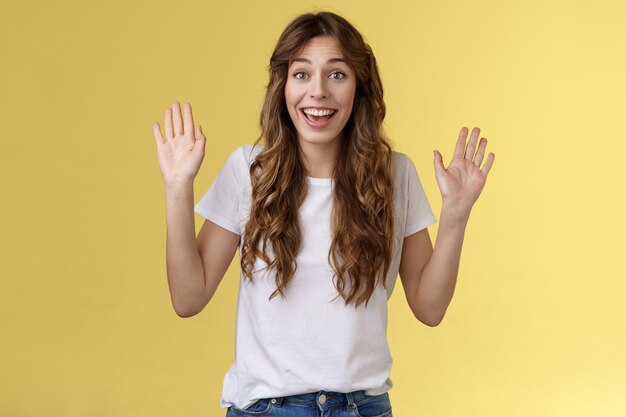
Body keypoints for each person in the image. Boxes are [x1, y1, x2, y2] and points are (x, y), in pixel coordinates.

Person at [152, 11, 494, 417]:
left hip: (363, 407)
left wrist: (455, 215)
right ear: (282, 86)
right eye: (301, 74)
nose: (317, 91)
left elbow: (429, 308)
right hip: (267, 408)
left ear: (359, 87)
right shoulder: (249, 171)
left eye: (336, 74)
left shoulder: (394, 175)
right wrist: (177, 188)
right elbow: (188, 298)